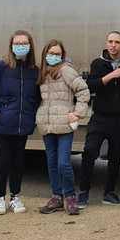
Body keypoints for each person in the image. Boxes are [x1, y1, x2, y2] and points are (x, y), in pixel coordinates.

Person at [77, 31, 120, 208]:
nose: (113, 45)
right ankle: (83, 192)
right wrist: (111, 76)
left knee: (115, 157)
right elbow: (91, 86)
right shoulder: (97, 63)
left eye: (117, 42)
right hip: (100, 117)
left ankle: (109, 193)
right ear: (106, 44)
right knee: (89, 152)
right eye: (110, 42)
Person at [0, 30, 40, 216]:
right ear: (11, 46)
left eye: (24, 43)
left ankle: (15, 197)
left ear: (30, 46)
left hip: (22, 126)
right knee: (3, 162)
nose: (21, 46)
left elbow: (37, 96)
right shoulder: (2, 66)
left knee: (18, 163)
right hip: (1, 125)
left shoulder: (34, 70)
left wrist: (31, 113)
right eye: (17, 43)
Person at [36, 40, 91, 216]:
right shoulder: (41, 73)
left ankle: (70, 196)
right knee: (51, 163)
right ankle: (56, 197)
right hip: (47, 125)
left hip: (64, 126)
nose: (54, 56)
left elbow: (83, 91)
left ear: (62, 56)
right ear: (45, 54)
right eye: (51, 53)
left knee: (63, 163)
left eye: (57, 54)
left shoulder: (66, 70)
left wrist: (78, 113)